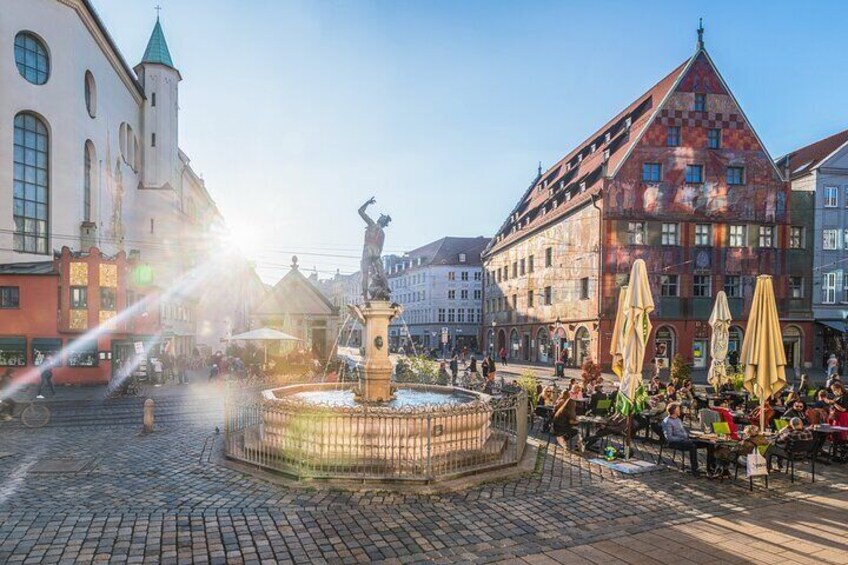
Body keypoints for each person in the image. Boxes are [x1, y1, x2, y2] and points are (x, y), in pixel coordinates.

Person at [661, 402, 700, 476]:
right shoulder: (667, 421)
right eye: (678, 410)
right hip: (675, 442)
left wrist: (692, 435)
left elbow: (683, 432)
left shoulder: (678, 419)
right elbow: (669, 438)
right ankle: (694, 469)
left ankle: (711, 468)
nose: (680, 411)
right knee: (692, 446)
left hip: (685, 439)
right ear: (674, 411)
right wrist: (682, 439)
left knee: (707, 443)